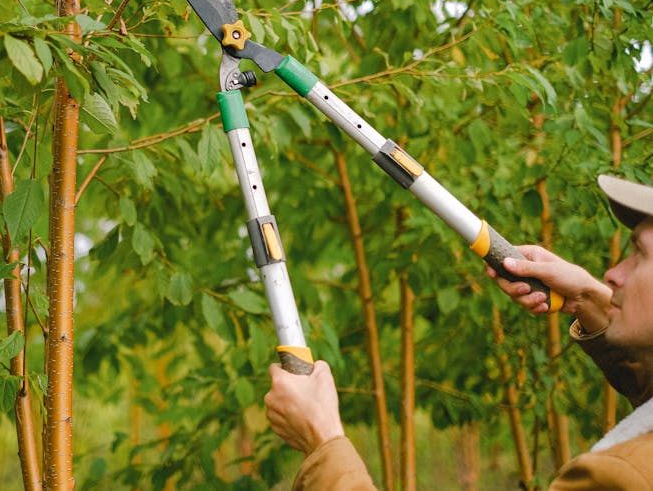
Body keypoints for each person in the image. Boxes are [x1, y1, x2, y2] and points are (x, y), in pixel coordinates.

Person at [265, 174, 653, 489]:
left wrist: (323, 442)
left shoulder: (619, 478)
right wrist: (590, 299)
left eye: (639, 254)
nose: (612, 274)